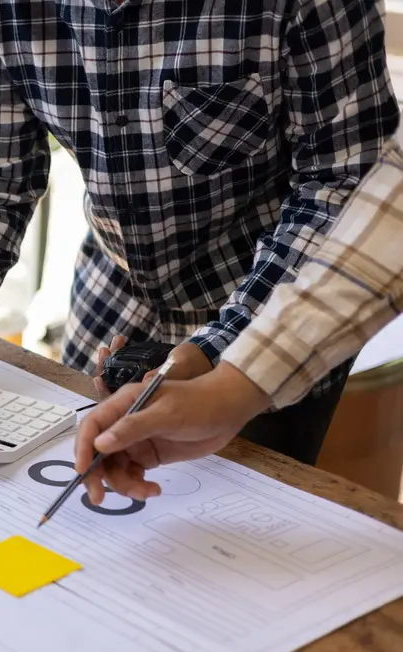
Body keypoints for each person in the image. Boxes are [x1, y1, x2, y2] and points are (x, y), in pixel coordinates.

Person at [0, 0, 399, 466]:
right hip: (112, 297)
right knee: (84, 517)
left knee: (232, 550)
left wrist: (221, 352)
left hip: (273, 309)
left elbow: (346, 185)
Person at [72, 137, 403, 504]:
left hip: (258, 284)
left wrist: (225, 375)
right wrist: (229, 392)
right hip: (112, 288)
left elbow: (351, 197)